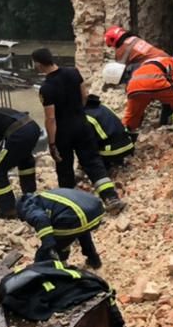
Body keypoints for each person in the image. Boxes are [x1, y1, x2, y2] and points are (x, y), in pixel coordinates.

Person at [32, 48, 122, 210]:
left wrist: (52, 144)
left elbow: (50, 118)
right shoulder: (73, 72)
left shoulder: (46, 88)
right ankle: (111, 197)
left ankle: (72, 206)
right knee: (93, 162)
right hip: (82, 125)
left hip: (63, 132)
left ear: (38, 64)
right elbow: (84, 96)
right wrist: (78, 113)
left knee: (64, 168)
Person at [16, 187, 106, 270]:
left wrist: (49, 246)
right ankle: (94, 259)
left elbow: (41, 218)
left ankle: (43, 273)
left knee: (45, 253)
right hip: (96, 211)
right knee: (80, 230)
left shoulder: (27, 206)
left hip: (76, 215)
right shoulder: (46, 197)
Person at [123, 54, 173, 136]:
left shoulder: (151, 62)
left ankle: (125, 134)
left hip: (133, 86)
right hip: (155, 81)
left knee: (133, 114)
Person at [102, 25, 171, 89]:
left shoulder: (121, 51)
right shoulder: (134, 38)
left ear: (112, 41)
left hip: (158, 70)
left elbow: (120, 74)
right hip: (168, 60)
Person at [84, 93, 135, 173]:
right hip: (128, 143)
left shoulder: (86, 116)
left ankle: (105, 168)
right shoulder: (102, 107)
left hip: (112, 150)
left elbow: (90, 141)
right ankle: (118, 161)